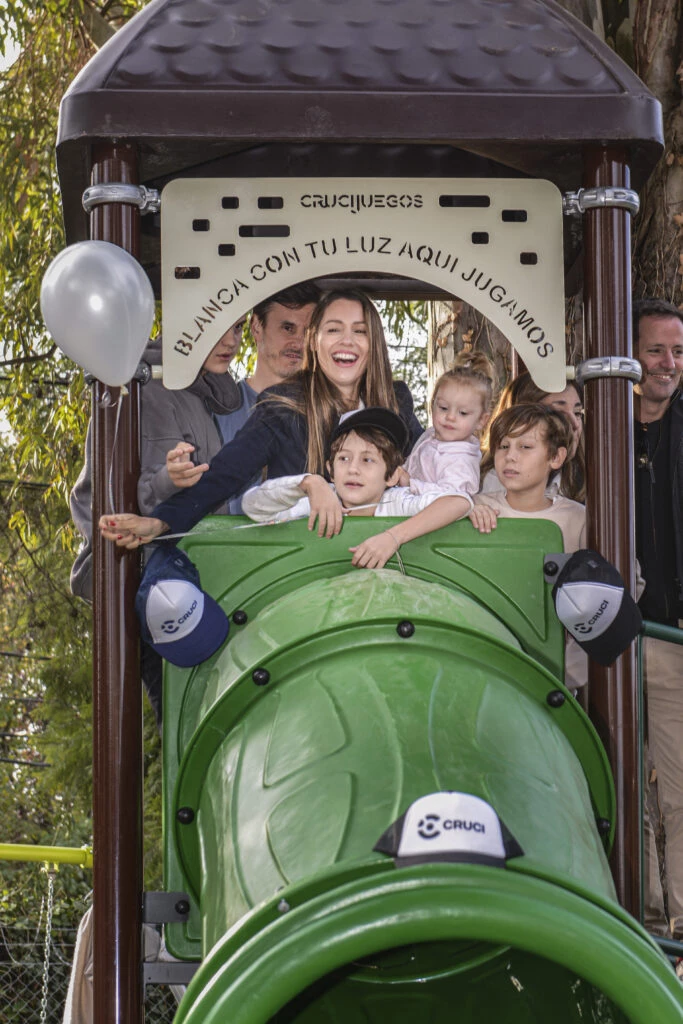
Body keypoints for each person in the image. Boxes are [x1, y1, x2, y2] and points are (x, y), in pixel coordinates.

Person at [98, 289, 425, 550]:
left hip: (389, 555)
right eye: (334, 329)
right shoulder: (282, 407)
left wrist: (474, 499)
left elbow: (432, 468)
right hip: (307, 562)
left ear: (374, 344)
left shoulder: (395, 401)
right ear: (315, 340)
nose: (347, 341)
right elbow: (225, 474)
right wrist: (161, 523)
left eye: (360, 331)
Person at [69, 317, 245, 725]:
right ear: (188, 323)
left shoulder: (201, 392)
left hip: (204, 581)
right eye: (218, 327)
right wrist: (166, 481)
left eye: (237, 328)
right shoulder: (144, 386)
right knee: (191, 731)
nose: (230, 341)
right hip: (162, 591)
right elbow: (104, 499)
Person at [242, 407, 473, 568]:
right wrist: (309, 483)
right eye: (344, 459)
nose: (353, 469)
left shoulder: (396, 503)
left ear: (392, 475)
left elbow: (459, 501)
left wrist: (393, 537)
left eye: (368, 460)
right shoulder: (314, 504)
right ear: (330, 469)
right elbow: (252, 506)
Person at [171, 281, 321, 514]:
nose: (299, 343)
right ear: (257, 327)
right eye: (288, 328)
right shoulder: (214, 410)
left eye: (308, 331)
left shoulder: (326, 412)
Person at [469, 403, 586, 691]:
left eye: (525, 447)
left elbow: (624, 584)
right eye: (503, 446)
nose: (510, 457)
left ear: (556, 457)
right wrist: (464, 511)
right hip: (487, 663)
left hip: (557, 674)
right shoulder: (475, 507)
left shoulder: (578, 519)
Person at [632, 298, 683, 939]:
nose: (668, 363)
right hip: (603, 638)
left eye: (677, 351)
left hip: (671, 637)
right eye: (655, 349)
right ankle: (640, 916)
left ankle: (680, 922)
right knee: (620, 784)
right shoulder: (593, 428)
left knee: (677, 786)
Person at [400, 351, 494, 501]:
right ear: (432, 405)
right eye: (443, 408)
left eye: (463, 413)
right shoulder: (430, 435)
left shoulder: (462, 460)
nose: (450, 417)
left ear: (481, 420)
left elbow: (452, 497)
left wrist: (410, 484)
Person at [480, 370, 585, 502]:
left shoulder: (588, 480)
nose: (575, 424)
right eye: (559, 413)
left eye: (577, 413)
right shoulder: (489, 487)